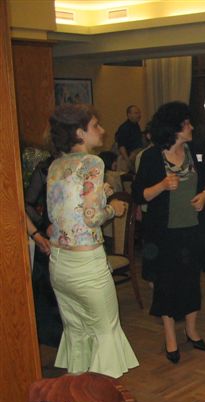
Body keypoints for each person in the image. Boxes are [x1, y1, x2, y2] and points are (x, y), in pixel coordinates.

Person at [46, 103, 138, 378]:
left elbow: (66, 209)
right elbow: (91, 217)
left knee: (77, 333)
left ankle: (78, 395)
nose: (103, 130)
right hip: (86, 264)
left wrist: (102, 193)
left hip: (59, 263)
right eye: (95, 125)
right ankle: (100, 398)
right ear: (79, 133)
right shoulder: (92, 162)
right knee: (105, 333)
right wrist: (114, 209)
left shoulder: (56, 164)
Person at [132, 101, 205, 364]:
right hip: (163, 234)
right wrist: (162, 186)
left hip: (192, 230)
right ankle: (170, 338)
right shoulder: (151, 157)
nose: (191, 127)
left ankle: (191, 330)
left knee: (191, 282)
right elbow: (139, 195)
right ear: (174, 128)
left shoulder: (196, 151)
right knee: (166, 285)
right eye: (186, 124)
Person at [115, 105, 143, 169]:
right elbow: (121, 146)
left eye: (139, 113)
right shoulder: (124, 128)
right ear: (129, 115)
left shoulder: (136, 126)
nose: (139, 115)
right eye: (136, 113)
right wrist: (128, 161)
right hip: (128, 158)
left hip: (137, 156)